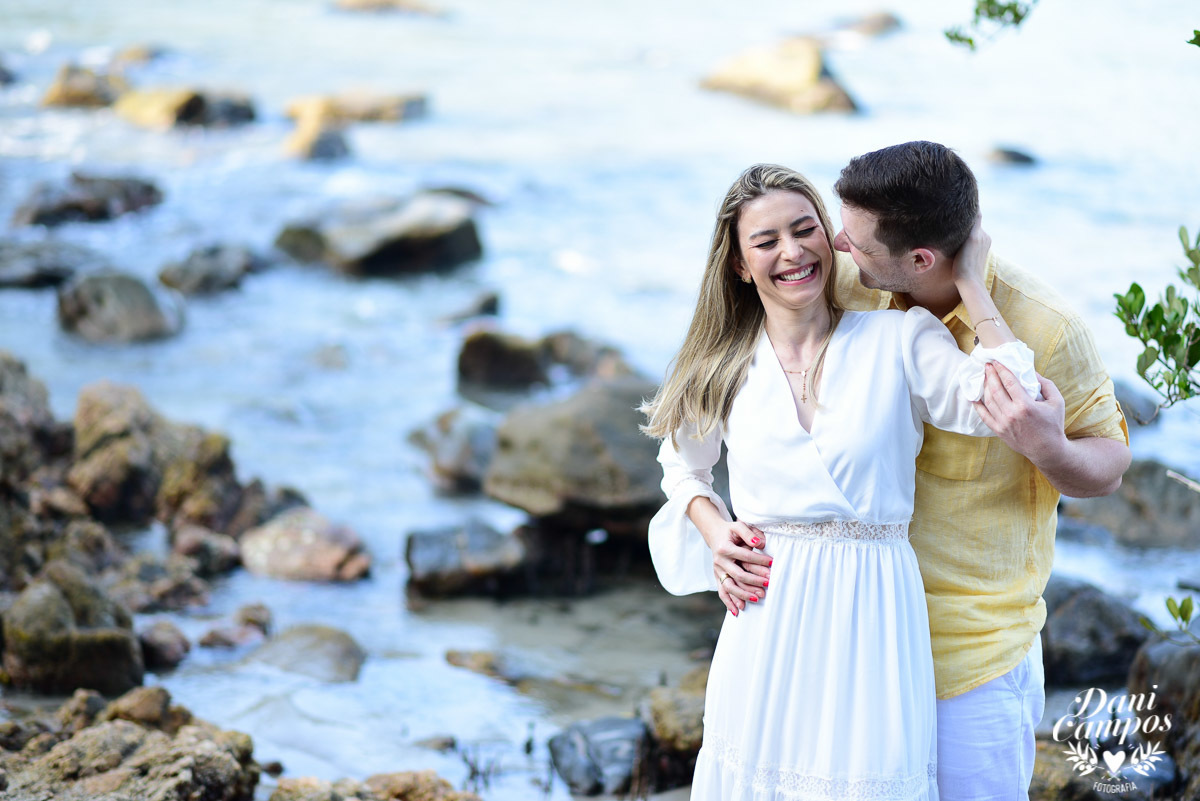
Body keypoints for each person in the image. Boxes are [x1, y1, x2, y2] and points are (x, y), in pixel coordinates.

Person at [640, 163, 1039, 801]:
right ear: (740, 265)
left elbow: (1008, 400)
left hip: (875, 606)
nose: (792, 252)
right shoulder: (721, 364)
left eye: (806, 230)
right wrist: (715, 533)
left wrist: (972, 284)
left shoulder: (901, 338)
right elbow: (681, 465)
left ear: (832, 239)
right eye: (766, 242)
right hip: (766, 613)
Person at [830, 141, 1131, 800]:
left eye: (855, 240)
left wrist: (1046, 447)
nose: (835, 245)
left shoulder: (1045, 329)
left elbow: (1107, 467)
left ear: (921, 259)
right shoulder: (848, 287)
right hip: (856, 638)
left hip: (972, 657)